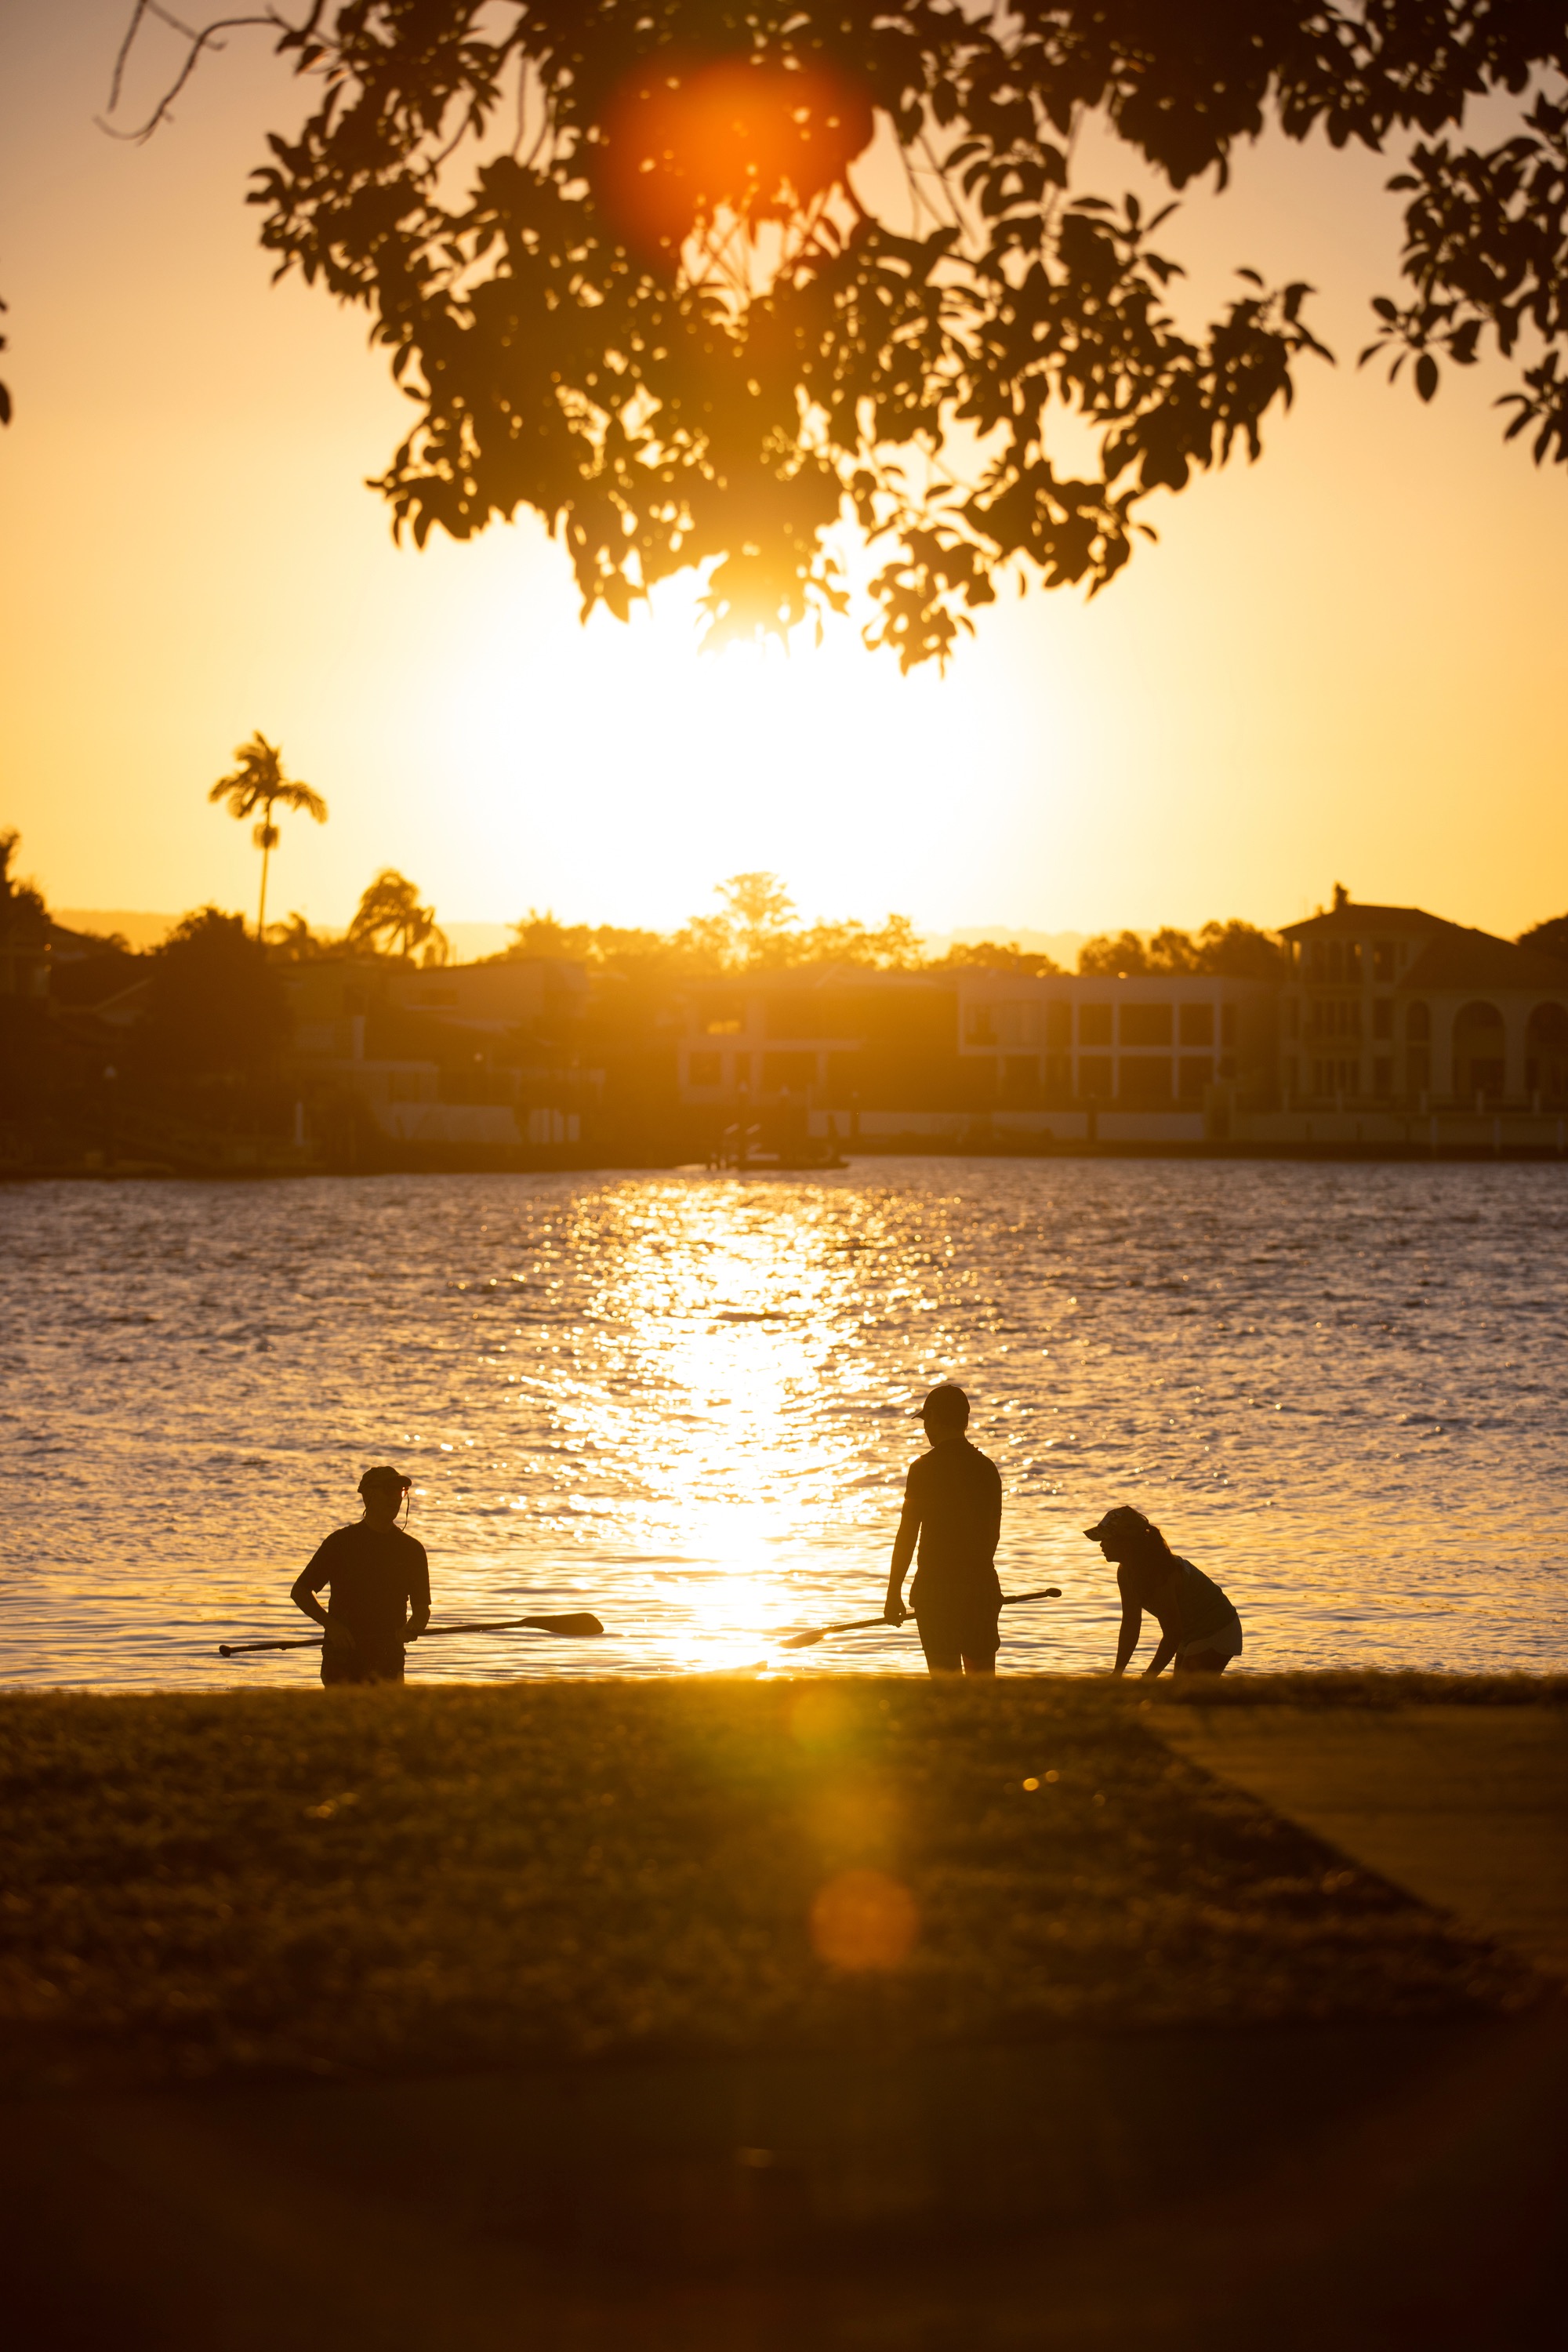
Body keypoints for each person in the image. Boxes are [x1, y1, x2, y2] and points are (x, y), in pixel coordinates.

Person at [884, 1383, 1003, 1675]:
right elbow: (993, 1534)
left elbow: (908, 1535)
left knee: (945, 1682)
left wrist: (893, 1592)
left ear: (935, 1418)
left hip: (936, 1591)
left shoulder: (924, 1468)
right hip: (981, 1587)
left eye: (926, 1421)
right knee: (982, 1684)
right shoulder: (986, 1468)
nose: (926, 1430)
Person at [290, 1466, 430, 1686]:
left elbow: (422, 1610)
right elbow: (300, 1591)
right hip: (342, 1657)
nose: (396, 1498)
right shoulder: (340, 1543)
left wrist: (413, 1627)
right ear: (369, 1495)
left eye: (400, 1491)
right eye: (388, 1490)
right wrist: (332, 1627)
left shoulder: (412, 1550)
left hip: (389, 1658)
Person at [1085, 1506, 1243, 1676]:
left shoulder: (1158, 1573)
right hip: (1189, 1632)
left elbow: (1173, 1634)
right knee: (1181, 1692)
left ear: (1126, 1542)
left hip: (1217, 1628)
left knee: (1186, 1694)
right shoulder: (1125, 1571)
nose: (1101, 1544)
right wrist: (1117, 1673)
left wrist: (1151, 1675)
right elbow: (1131, 1625)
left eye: (1106, 1538)